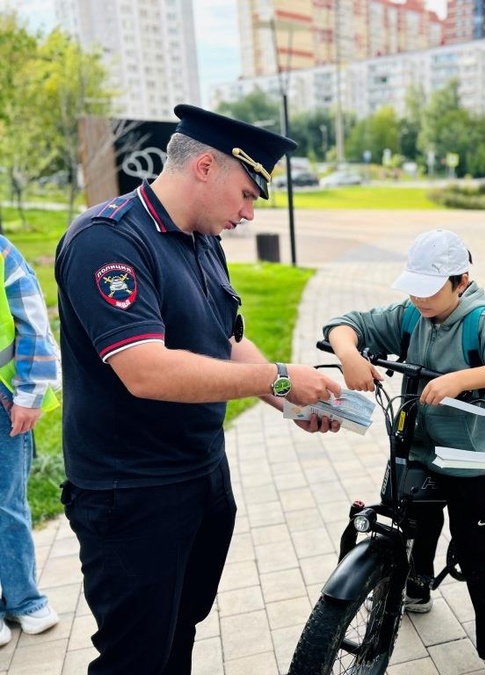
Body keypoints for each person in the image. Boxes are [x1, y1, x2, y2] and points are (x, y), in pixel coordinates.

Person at [54, 104, 344, 674]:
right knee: (135, 656)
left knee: (178, 632)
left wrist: (289, 403)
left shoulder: (200, 236)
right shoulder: (108, 240)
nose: (249, 211)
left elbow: (226, 340)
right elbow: (146, 371)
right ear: (205, 167)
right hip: (133, 493)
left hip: (201, 475)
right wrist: (278, 376)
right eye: (247, 193)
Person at [323, 229, 485, 675]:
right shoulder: (411, 315)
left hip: (469, 463)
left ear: (460, 282)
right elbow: (350, 324)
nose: (418, 299)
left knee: (481, 558)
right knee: (409, 530)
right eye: (413, 287)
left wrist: (462, 379)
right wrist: (349, 354)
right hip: (415, 452)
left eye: (429, 290)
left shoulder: (479, 321)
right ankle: (416, 590)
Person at [0, 235, 61, 648]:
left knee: (8, 502)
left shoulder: (2, 253)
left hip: (3, 402)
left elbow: (31, 320)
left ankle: (23, 598)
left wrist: (30, 394)